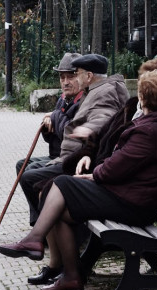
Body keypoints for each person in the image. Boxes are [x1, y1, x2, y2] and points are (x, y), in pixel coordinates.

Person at [0, 70, 157, 290]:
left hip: (135, 204)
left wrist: (95, 175)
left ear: (144, 98)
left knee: (62, 184)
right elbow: (121, 162)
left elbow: (116, 167)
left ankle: (35, 240)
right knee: (59, 205)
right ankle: (71, 276)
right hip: (134, 196)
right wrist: (96, 171)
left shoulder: (150, 130)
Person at [19, 54, 129, 227]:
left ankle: (44, 228)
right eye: (63, 77)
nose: (71, 80)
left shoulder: (104, 91)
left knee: (29, 177)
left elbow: (104, 115)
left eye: (76, 74)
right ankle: (43, 229)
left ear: (89, 75)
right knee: (27, 171)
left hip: (79, 161)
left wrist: (89, 128)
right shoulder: (93, 90)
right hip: (73, 156)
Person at [15, 52, 84, 177]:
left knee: (30, 173)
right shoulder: (63, 98)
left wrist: (55, 115)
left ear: (81, 77)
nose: (65, 82)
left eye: (70, 77)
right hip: (56, 155)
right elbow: (52, 137)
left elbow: (70, 134)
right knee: (22, 165)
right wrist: (47, 127)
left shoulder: (83, 102)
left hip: (71, 159)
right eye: (62, 78)